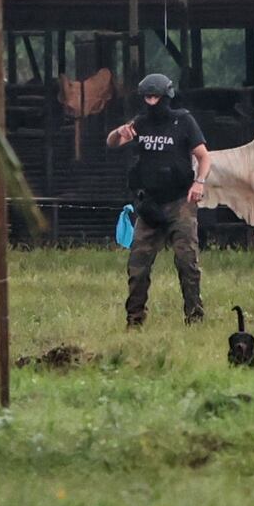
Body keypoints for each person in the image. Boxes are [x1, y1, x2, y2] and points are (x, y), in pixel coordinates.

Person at [106, 73, 211, 327]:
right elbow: (112, 142)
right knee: (137, 265)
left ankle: (194, 317)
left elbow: (204, 156)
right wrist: (119, 132)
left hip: (180, 201)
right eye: (147, 96)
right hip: (150, 203)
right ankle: (134, 319)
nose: (152, 101)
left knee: (187, 261)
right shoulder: (140, 123)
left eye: (156, 96)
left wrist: (199, 182)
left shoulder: (183, 121)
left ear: (166, 96)